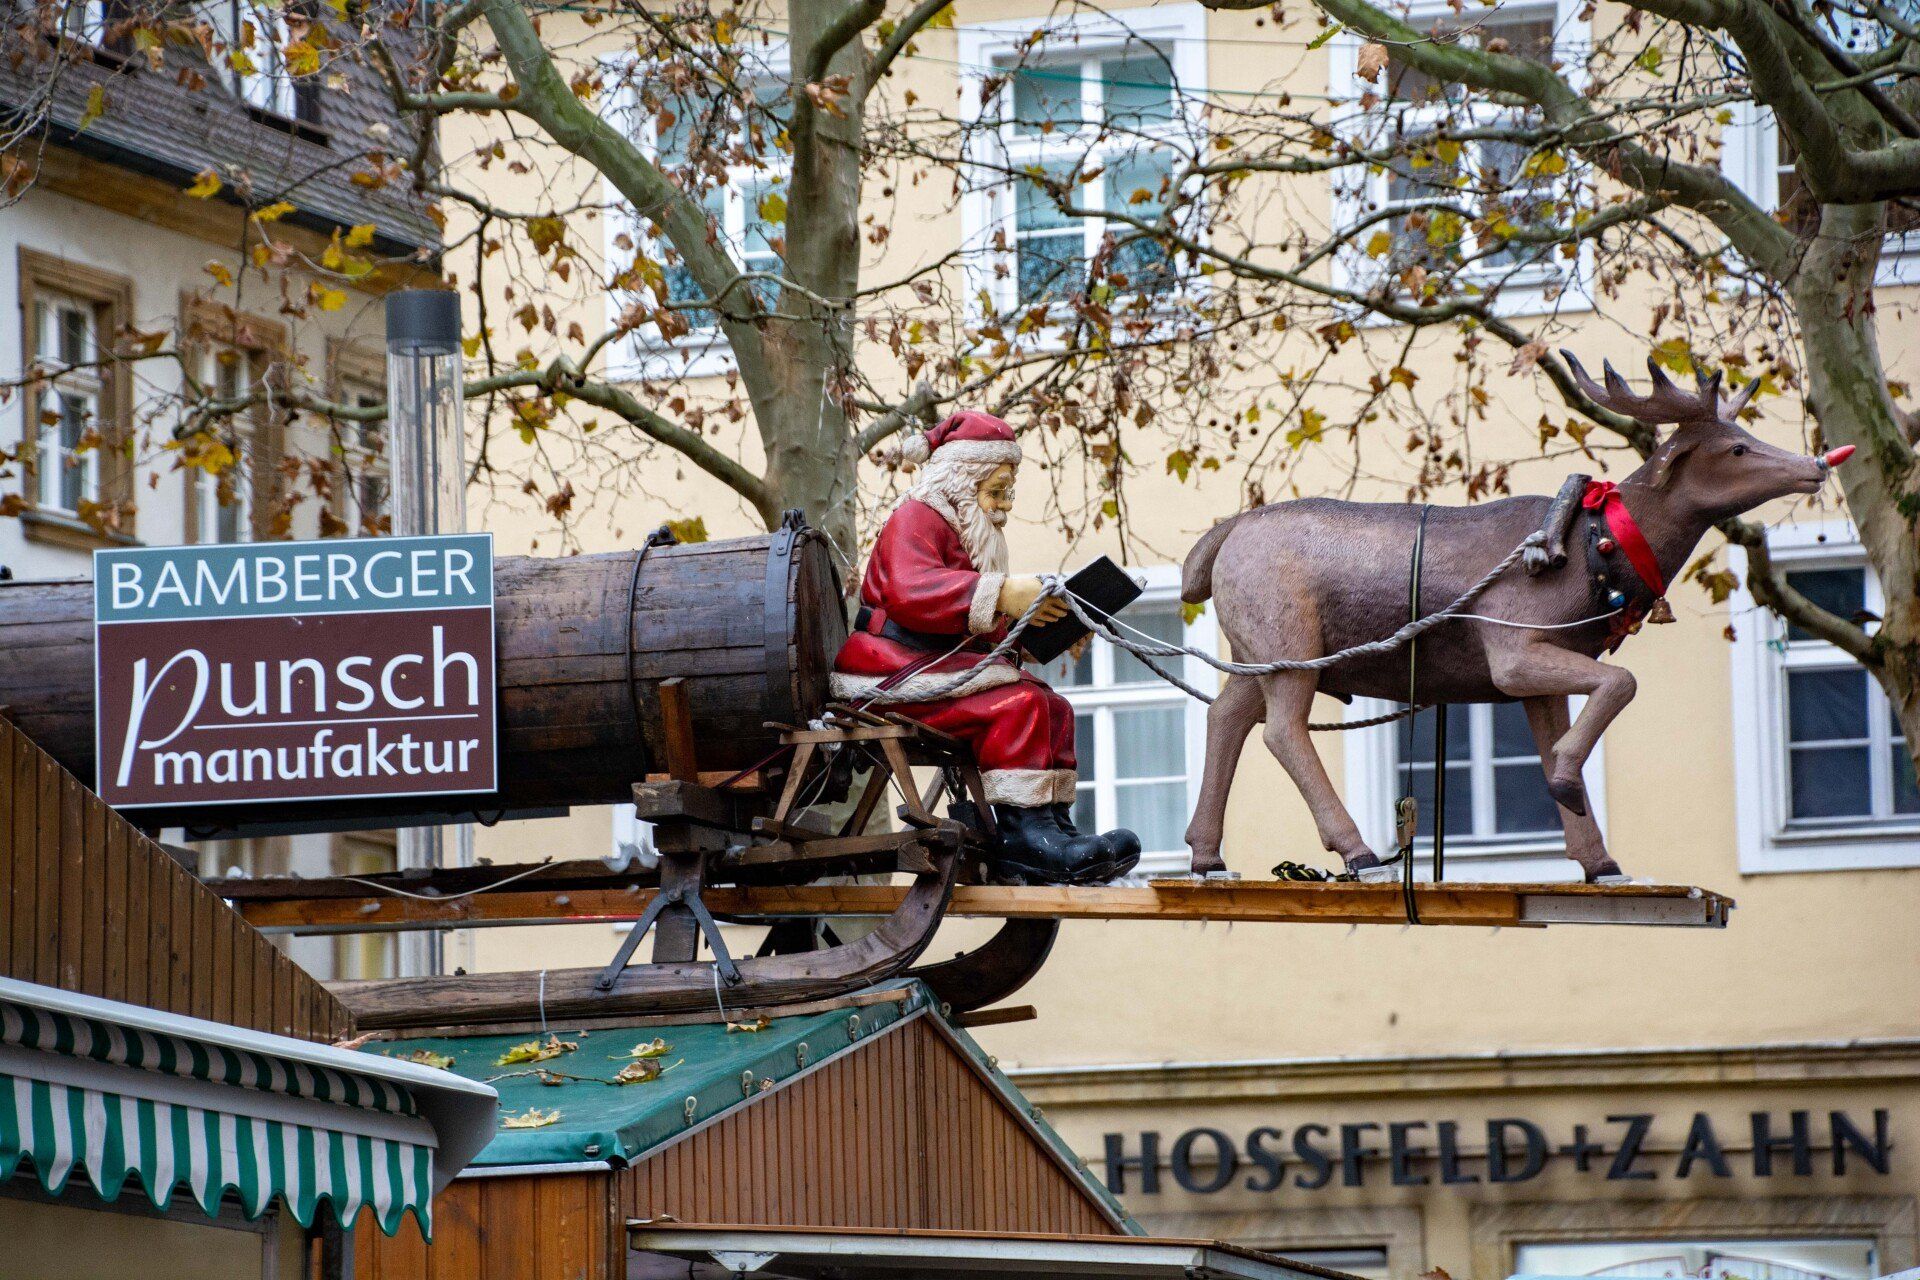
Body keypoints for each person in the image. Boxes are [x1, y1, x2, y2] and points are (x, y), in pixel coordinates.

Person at [831, 411, 1141, 885]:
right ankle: (1024, 839)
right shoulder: (915, 517)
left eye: (1007, 493)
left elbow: (969, 622)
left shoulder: (967, 533)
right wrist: (1001, 593)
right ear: (962, 480)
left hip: (936, 662)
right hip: (891, 666)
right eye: (996, 492)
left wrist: (1035, 632)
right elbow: (911, 591)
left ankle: (1053, 827)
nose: (1003, 507)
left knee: (1055, 707)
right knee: (1020, 704)